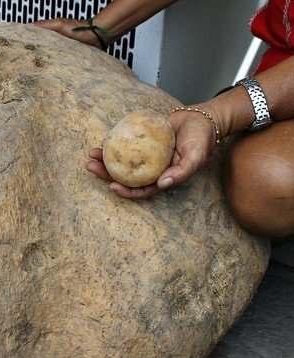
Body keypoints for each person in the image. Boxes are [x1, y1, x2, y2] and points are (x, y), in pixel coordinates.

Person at [35, 0, 294, 239]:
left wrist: (219, 115)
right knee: (263, 186)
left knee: (267, 187)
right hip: (281, 69)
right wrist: (99, 30)